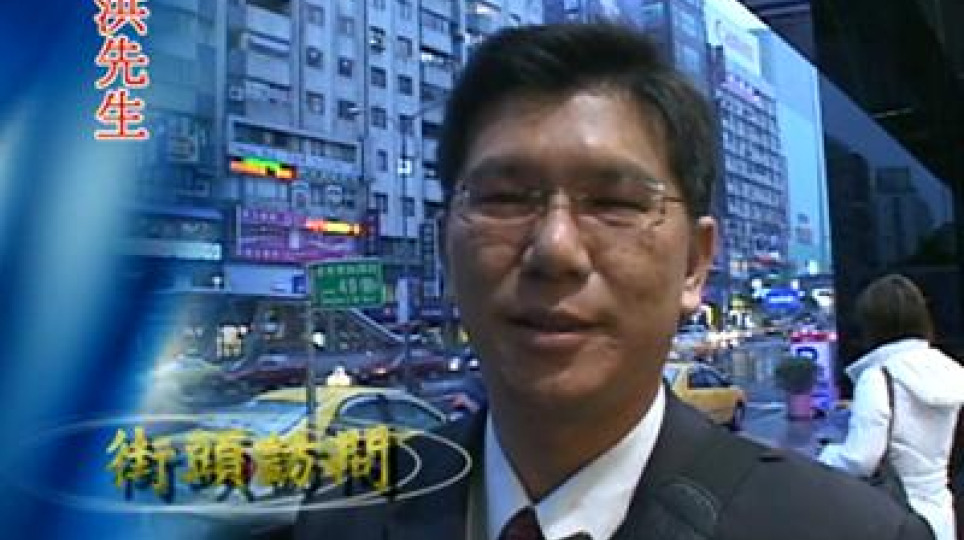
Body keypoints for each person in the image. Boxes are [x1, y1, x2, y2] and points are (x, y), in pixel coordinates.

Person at [257, 23, 932, 540]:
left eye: (614, 203)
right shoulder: (347, 516)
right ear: (446, 251)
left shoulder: (849, 532)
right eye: (505, 198)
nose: (555, 249)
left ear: (695, 263)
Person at [820, 274, 964, 540]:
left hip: (895, 518)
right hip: (941, 514)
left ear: (872, 325)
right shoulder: (948, 372)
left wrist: (827, 454)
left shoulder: (878, 377)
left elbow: (860, 459)